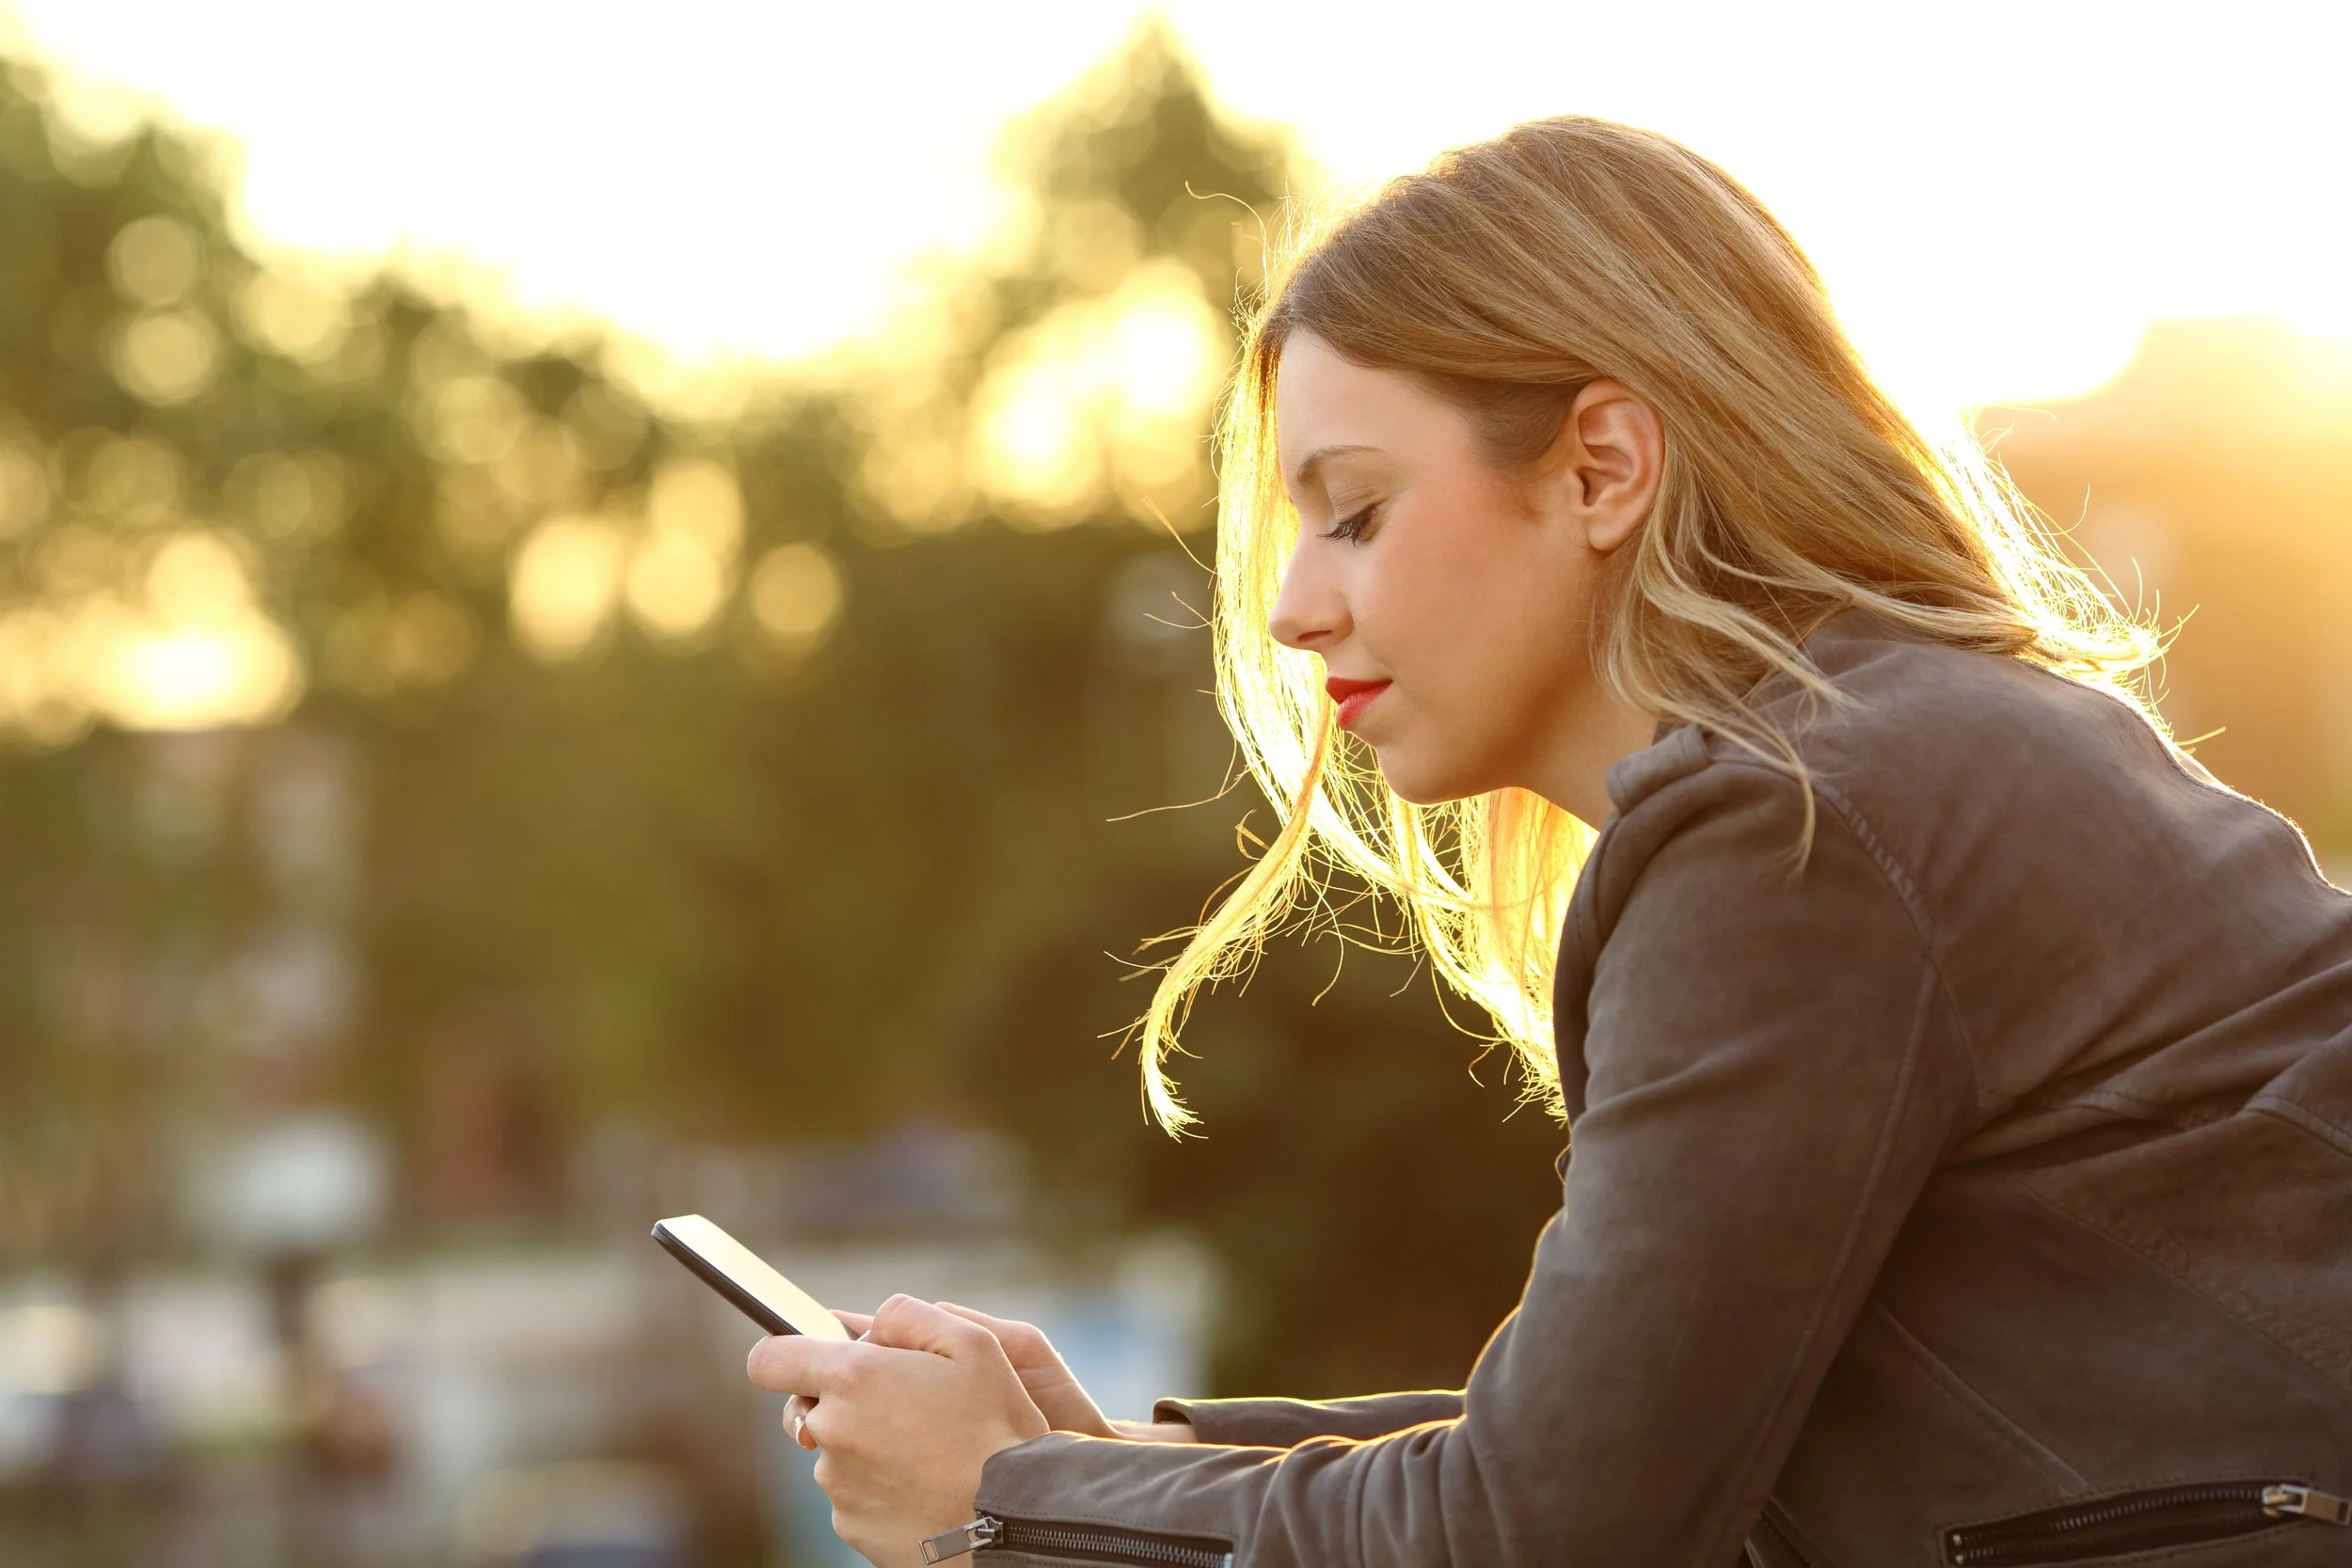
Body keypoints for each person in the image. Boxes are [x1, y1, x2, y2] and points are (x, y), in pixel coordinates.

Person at [746, 117, 2352, 1567]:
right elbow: (1637, 1437)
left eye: (1356, 509)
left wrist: (1007, 1509)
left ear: (1603, 465)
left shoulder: (1801, 826)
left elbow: (1548, 1529)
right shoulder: (1908, 753)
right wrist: (1114, 1466)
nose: (1298, 604)